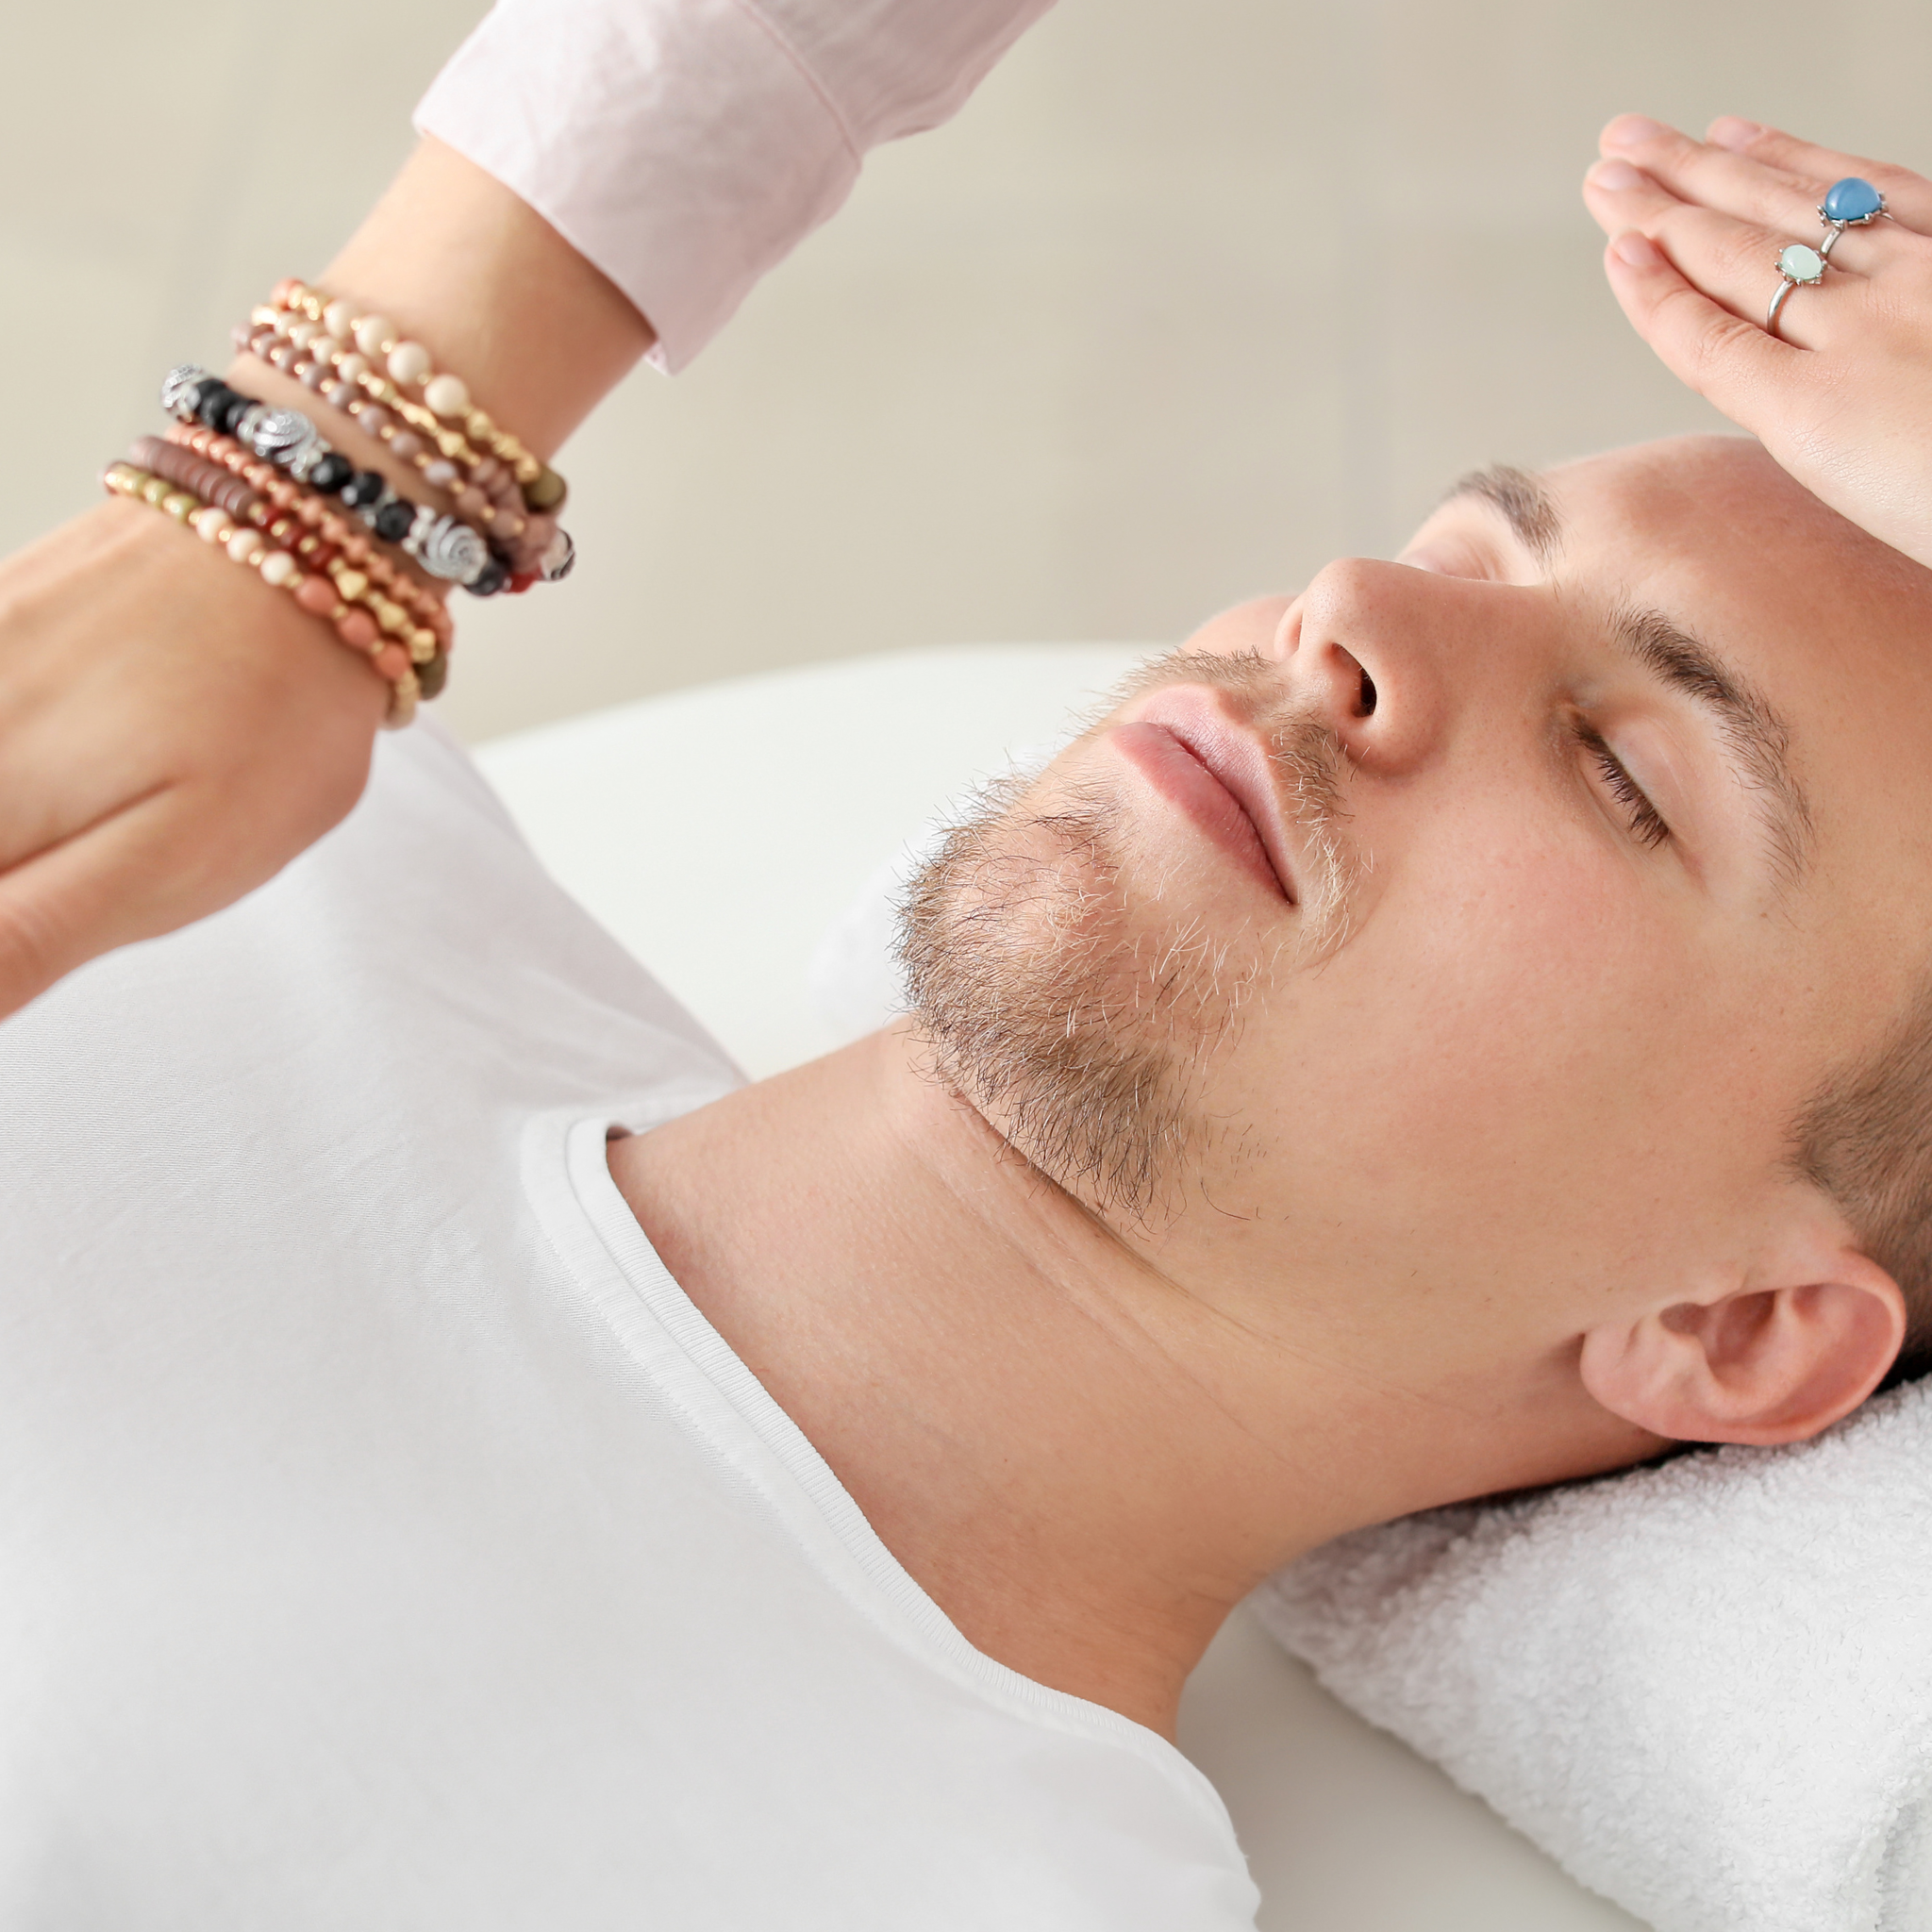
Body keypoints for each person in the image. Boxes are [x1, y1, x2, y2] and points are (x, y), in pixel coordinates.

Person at [7, 0, 1932, 1921]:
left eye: (1623, 774)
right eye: (1459, 554)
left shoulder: (977, 1881)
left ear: (1734, 1330)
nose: (1350, 610)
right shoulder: (245, 835)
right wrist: (311, 482)